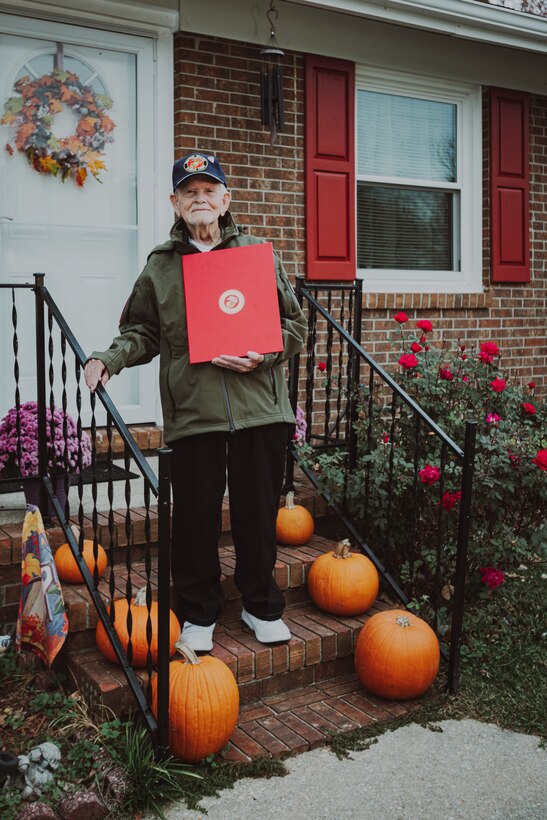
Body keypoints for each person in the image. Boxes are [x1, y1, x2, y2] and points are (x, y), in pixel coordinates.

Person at [84, 151, 307, 652]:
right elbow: (140, 330)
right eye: (190, 192)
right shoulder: (161, 267)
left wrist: (265, 354)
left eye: (209, 190)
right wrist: (108, 359)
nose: (200, 199)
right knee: (195, 519)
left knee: (256, 513)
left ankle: (260, 605)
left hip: (260, 410)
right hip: (194, 414)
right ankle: (199, 614)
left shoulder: (258, 253)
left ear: (226, 199)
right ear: (175, 202)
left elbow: (295, 326)